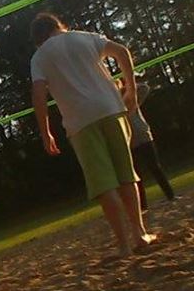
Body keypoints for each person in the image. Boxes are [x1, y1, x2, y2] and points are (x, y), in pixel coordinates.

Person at [29, 13, 155, 255]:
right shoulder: (85, 37)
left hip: (79, 121)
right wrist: (130, 90)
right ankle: (140, 234)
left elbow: (38, 94)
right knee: (127, 175)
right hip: (110, 108)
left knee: (104, 185)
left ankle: (123, 244)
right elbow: (122, 52)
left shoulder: (40, 56)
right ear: (60, 26)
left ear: (38, 39)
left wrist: (46, 132)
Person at [120, 77, 175, 210]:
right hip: (130, 141)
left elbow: (144, 87)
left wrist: (128, 86)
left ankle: (170, 195)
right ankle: (143, 206)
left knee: (155, 167)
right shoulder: (114, 106)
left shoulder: (133, 99)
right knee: (137, 175)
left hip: (144, 137)